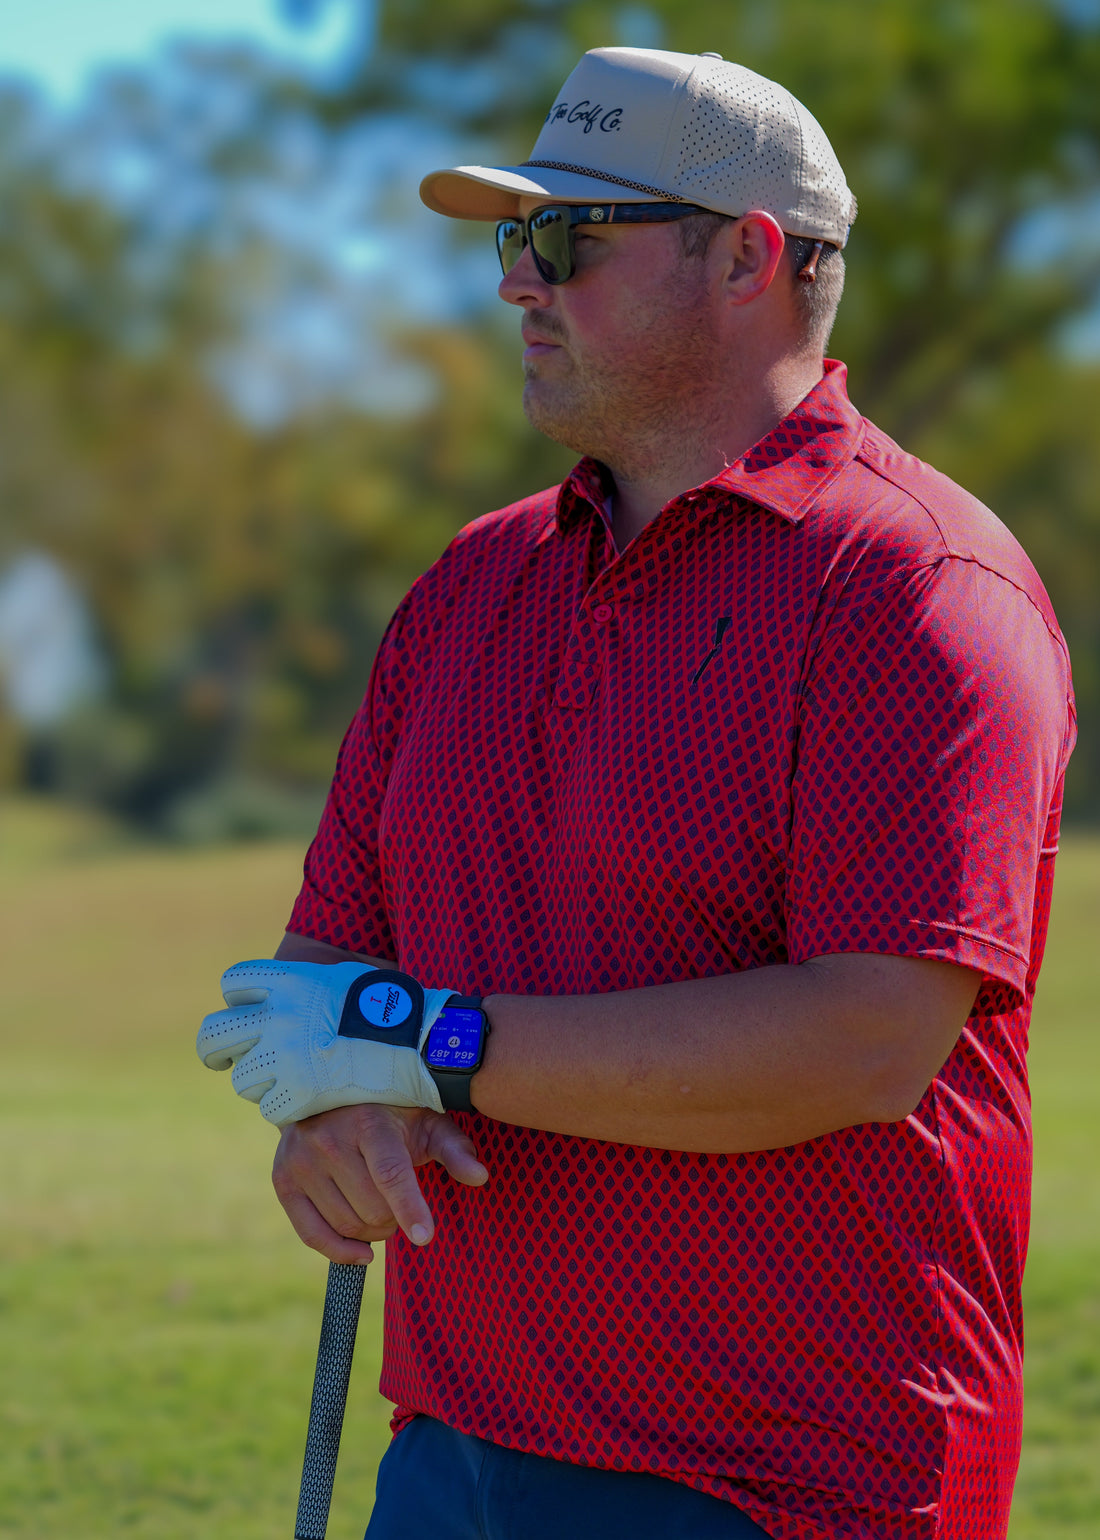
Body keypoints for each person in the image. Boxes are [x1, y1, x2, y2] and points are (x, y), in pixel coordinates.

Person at [198, 46, 1076, 1540]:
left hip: (787, 1486)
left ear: (747, 257)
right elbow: (332, 973)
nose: (515, 287)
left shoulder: (920, 588)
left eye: (568, 242)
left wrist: (434, 1050)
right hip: (452, 1450)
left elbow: (864, 1040)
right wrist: (334, 1115)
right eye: (513, 240)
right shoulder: (473, 583)